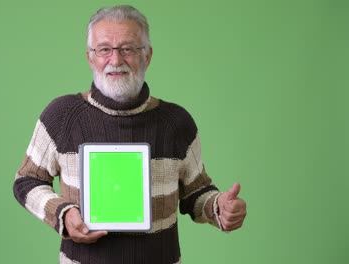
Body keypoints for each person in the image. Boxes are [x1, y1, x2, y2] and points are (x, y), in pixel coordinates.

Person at [13, 5, 247, 264]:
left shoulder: (176, 122)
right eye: (104, 49)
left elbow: (196, 194)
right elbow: (27, 181)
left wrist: (219, 208)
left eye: (128, 49)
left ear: (147, 56)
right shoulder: (62, 116)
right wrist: (63, 214)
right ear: (90, 57)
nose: (115, 60)